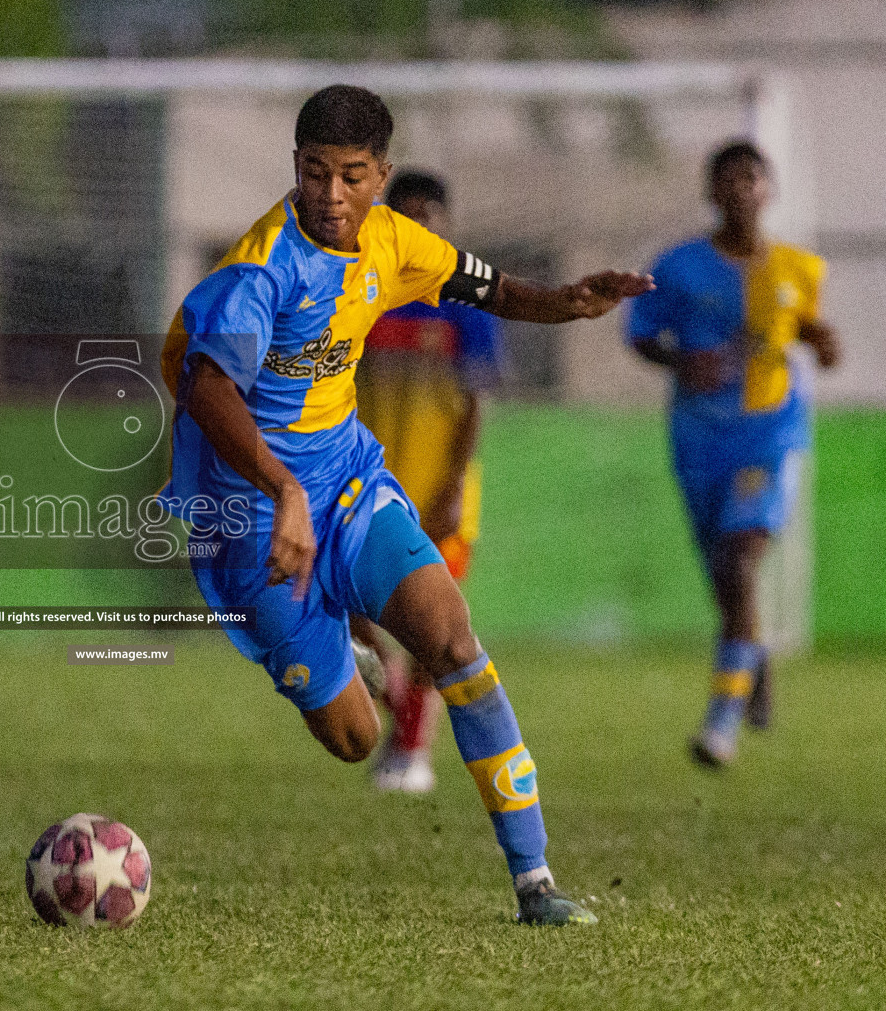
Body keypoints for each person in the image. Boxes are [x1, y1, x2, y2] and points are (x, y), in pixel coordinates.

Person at [160, 85, 651, 924]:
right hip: (253, 517)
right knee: (354, 741)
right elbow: (207, 389)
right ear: (296, 170)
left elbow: (486, 290)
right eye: (315, 175)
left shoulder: (393, 240)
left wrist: (566, 301)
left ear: (381, 175)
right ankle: (342, 650)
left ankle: (535, 884)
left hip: (349, 486)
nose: (332, 196)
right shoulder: (259, 268)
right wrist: (282, 491)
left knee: (455, 641)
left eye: (352, 176)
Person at [627, 140, 839, 769]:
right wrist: (677, 358)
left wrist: (820, 339)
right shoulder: (679, 267)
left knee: (742, 563)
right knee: (724, 579)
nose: (743, 189)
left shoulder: (800, 267)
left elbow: (801, 323)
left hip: (769, 436)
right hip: (698, 441)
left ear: (768, 190)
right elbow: (641, 334)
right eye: (730, 179)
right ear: (711, 192)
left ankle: (720, 724)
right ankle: (756, 656)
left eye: (754, 178)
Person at [348, 170, 503, 794]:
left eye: (427, 218)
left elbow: (475, 402)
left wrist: (456, 482)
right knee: (344, 612)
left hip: (440, 490)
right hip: (361, 487)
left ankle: (412, 751)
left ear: (443, 226)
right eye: (403, 215)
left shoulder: (465, 303)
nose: (415, 228)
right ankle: (395, 706)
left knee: (432, 629)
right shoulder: (360, 292)